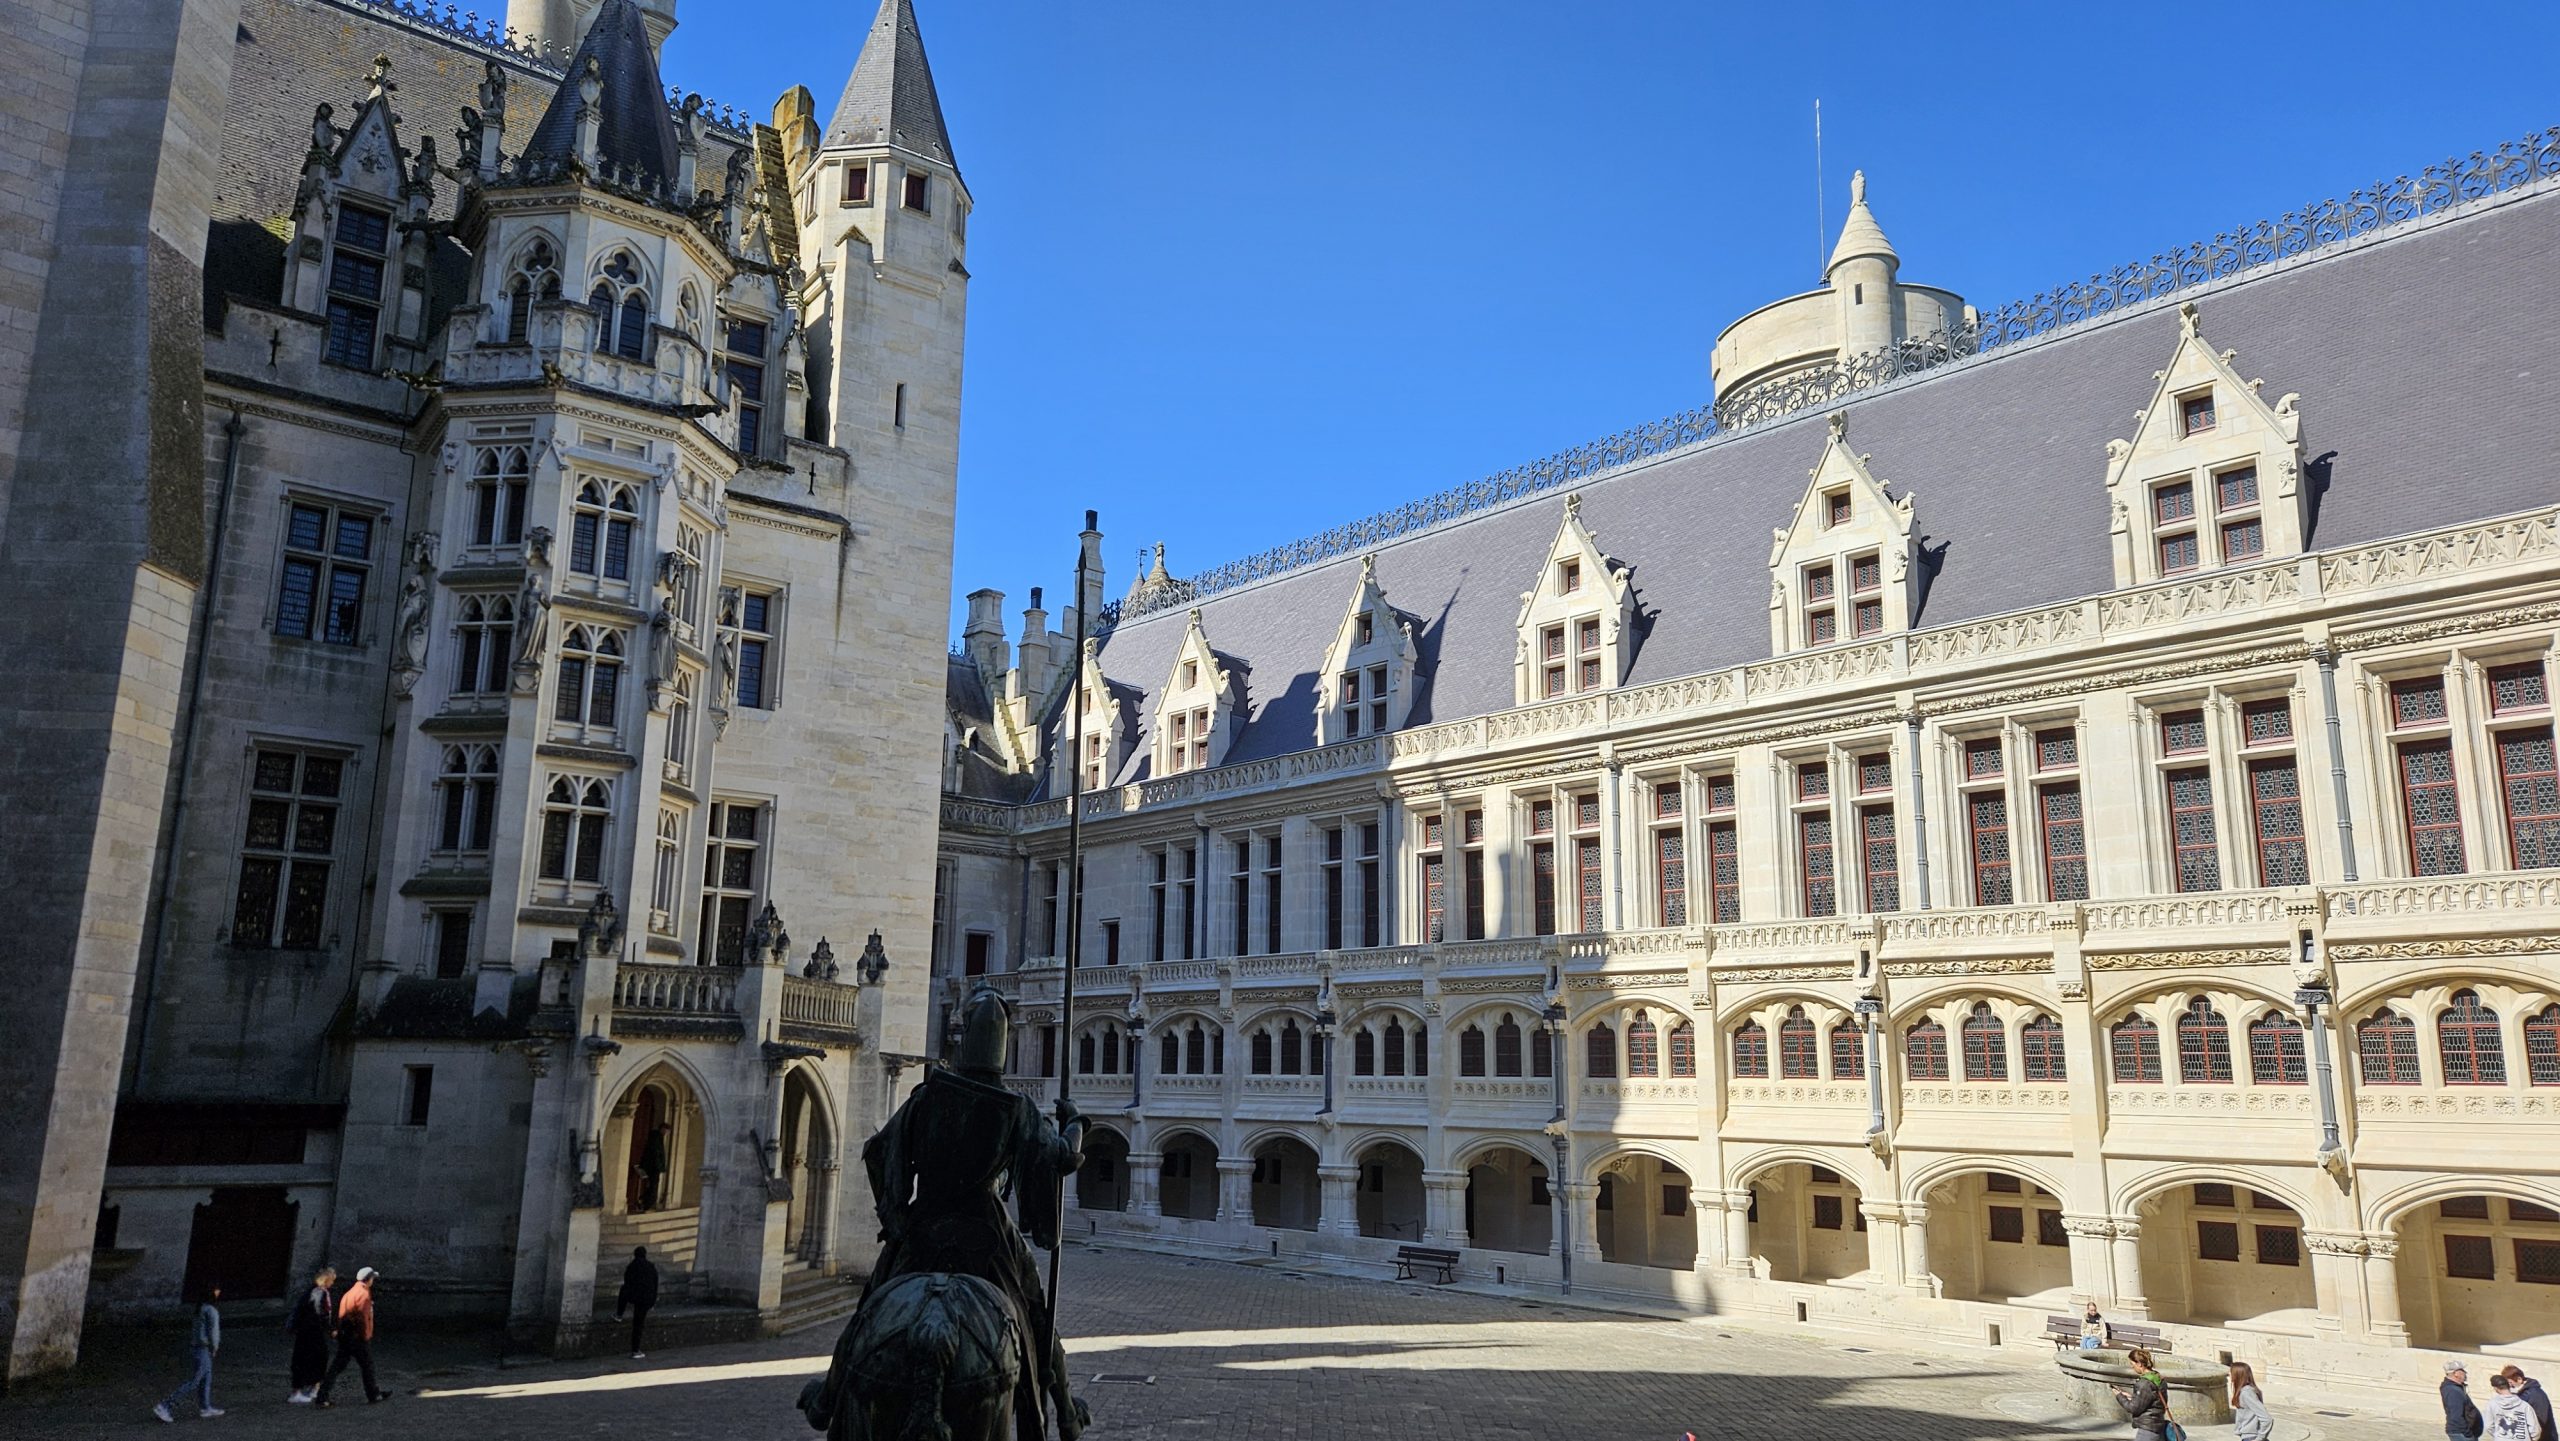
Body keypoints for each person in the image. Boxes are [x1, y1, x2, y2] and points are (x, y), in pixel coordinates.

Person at [820, 985, 1089, 1440]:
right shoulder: (1016, 1108)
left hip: (925, 1224)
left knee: (873, 1301)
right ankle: (1065, 1411)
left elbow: (879, 1151)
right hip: (986, 1232)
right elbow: (1061, 1158)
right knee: (1035, 1314)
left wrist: (896, 1215)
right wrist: (1076, 1122)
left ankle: (828, 1396)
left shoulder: (929, 1094)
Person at [316, 1266, 391, 1407]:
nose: (373, 1281)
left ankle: (322, 1395)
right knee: (367, 1366)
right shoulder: (363, 1294)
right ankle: (373, 1394)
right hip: (357, 1337)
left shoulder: (350, 1293)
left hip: (346, 1335)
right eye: (372, 1278)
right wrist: (365, 1335)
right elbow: (363, 1318)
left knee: (337, 1366)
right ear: (368, 1279)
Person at [151, 1285, 223, 1423]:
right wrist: (215, 1347)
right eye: (216, 1291)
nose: (218, 1292)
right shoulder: (211, 1310)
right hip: (203, 1349)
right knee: (194, 1381)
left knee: (206, 1379)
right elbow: (214, 1331)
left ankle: (205, 1407)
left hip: (196, 1347)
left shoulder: (199, 1309)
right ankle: (165, 1406)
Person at [286, 1267, 336, 1403]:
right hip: (311, 1332)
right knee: (310, 1359)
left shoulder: (314, 1291)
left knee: (314, 1358)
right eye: (332, 1280)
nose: (333, 1283)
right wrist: (330, 1329)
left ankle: (313, 1387)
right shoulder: (317, 1292)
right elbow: (321, 1314)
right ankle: (301, 1390)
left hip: (309, 1332)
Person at [2111, 1346, 2168, 1439]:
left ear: (2139, 1364)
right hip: (2158, 1425)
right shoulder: (2158, 1377)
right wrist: (2130, 1396)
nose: (2132, 1366)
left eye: (2132, 1364)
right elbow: (2153, 1400)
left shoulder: (2144, 1383)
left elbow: (2133, 1408)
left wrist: (2119, 1396)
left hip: (2147, 1429)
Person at [616, 1245, 659, 1359]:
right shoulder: (651, 1267)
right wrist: (653, 1302)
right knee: (638, 1325)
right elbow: (655, 1285)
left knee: (623, 1290)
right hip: (646, 1299)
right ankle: (635, 1350)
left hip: (635, 1295)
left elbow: (627, 1280)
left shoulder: (632, 1266)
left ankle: (619, 1314)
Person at [2489, 1373, 2546, 1441]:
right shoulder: (2525, 1406)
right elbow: (2535, 1430)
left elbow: (2489, 1426)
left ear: (2495, 1388)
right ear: (2509, 1385)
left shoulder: (2492, 1405)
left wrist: (2499, 1437)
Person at [2506, 1367, 2558, 1441]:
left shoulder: (2536, 1394)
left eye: (2510, 1383)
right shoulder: (2521, 1392)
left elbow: (2541, 1419)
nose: (2509, 1386)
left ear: (2519, 1379)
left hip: (2543, 1437)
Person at [2230, 1361, 2272, 1441]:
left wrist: (2260, 1438)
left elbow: (2266, 1418)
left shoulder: (2247, 1393)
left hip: (2251, 1437)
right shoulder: (2245, 1391)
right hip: (2248, 1436)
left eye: (2231, 1373)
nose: (2230, 1375)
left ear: (2237, 1375)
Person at [2449, 1362, 2488, 1441]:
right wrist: (2467, 1433)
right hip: (2462, 1434)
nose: (2465, 1373)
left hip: (2464, 1433)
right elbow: (2456, 1416)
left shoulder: (2457, 1388)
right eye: (2463, 1371)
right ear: (2456, 1373)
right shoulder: (2453, 1391)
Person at [638, 1124, 670, 1213]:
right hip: (653, 1167)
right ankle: (647, 1204)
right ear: (663, 1129)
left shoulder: (656, 1137)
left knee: (652, 1185)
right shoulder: (656, 1138)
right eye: (667, 1131)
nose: (667, 1133)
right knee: (653, 1185)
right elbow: (656, 1153)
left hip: (652, 1166)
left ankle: (644, 1200)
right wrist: (659, 1166)